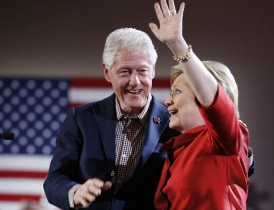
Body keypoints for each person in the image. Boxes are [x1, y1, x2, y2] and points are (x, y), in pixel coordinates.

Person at [43, 27, 179, 210]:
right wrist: (75, 192)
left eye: (142, 71)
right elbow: (55, 179)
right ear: (107, 72)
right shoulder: (82, 119)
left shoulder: (173, 125)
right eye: (125, 72)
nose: (135, 81)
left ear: (153, 71)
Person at [148, 0, 251, 209]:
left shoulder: (225, 139)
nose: (167, 101)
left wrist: (178, 45)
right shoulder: (177, 150)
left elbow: (216, 102)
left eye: (177, 91)